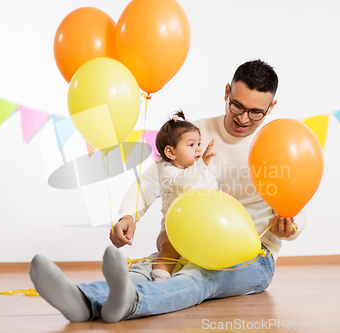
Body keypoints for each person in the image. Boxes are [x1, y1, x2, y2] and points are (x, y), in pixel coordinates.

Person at [29, 59, 305, 323]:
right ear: (227, 92)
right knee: (147, 270)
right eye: (237, 105)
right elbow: (151, 180)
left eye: (256, 111)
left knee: (198, 277)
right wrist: (128, 216)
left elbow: (296, 206)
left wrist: (290, 226)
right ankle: (83, 301)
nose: (244, 118)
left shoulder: (276, 145)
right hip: (187, 244)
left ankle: (130, 303)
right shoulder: (194, 135)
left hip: (252, 255)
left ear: (271, 107)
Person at [151, 110, 219, 282]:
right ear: (171, 152)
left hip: (198, 232)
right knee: (170, 247)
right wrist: (202, 162)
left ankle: (184, 274)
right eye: (191, 145)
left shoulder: (203, 172)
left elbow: (212, 190)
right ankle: (159, 278)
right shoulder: (168, 173)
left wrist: (222, 198)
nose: (198, 148)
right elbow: (184, 184)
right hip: (172, 232)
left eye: (199, 143)